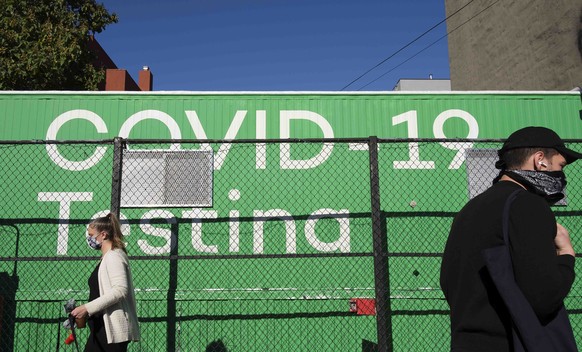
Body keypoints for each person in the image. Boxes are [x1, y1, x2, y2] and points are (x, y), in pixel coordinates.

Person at [440, 126, 580, 351]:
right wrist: (566, 255)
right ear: (540, 160)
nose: (562, 176)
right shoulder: (527, 204)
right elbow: (545, 298)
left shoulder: (468, 210)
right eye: (560, 166)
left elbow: (448, 281)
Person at [71, 213, 140, 352]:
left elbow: (120, 290)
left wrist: (87, 308)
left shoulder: (114, 256)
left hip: (110, 329)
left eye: (91, 235)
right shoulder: (107, 257)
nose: (89, 239)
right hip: (102, 327)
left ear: (103, 235)